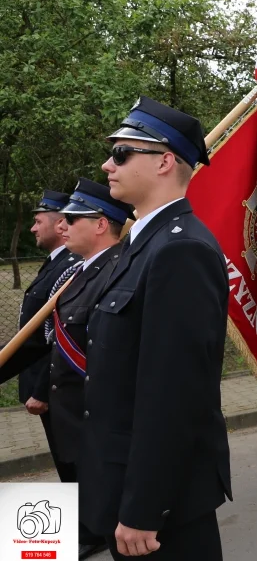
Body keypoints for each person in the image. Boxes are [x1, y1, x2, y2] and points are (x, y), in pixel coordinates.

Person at [82, 97, 232, 560]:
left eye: (122, 153)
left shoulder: (180, 250)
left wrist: (145, 506)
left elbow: (174, 394)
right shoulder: (140, 244)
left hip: (157, 504)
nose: (109, 164)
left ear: (165, 160)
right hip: (120, 478)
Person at [47, 179, 131, 559]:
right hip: (72, 417)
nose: (61, 226)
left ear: (100, 224)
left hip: (97, 421)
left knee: (119, 529)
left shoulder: (116, 271)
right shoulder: (78, 271)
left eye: (72, 219)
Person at [0, 191, 80, 478]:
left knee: (73, 468)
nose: (32, 228)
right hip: (48, 386)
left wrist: (42, 389)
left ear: (60, 224)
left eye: (37, 221)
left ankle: (84, 522)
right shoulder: (55, 263)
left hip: (58, 390)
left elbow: (59, 336)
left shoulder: (71, 267)